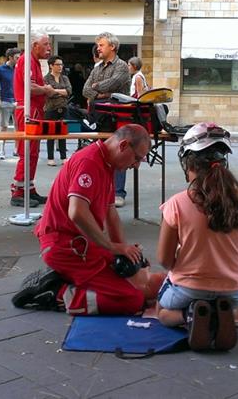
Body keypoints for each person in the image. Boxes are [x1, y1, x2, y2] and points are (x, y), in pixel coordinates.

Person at [11, 124, 152, 315]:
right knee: (132, 300)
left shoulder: (106, 163)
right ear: (123, 145)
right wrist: (113, 248)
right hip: (65, 246)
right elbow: (77, 212)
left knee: (134, 279)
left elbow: (111, 213)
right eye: (137, 158)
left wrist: (124, 252)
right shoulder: (90, 162)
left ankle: (66, 281)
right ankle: (59, 293)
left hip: (81, 243)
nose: (136, 165)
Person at [154, 122, 238, 351]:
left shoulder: (177, 203)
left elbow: (164, 259)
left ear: (187, 163)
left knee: (161, 312)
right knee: (225, 296)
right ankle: (221, 313)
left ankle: (191, 314)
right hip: (234, 290)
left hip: (188, 288)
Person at [10, 33, 64, 207]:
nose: (49, 48)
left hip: (32, 109)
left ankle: (28, 188)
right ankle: (18, 191)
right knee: (28, 151)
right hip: (28, 110)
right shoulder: (28, 61)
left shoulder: (32, 61)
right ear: (35, 45)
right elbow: (30, 87)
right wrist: (47, 89)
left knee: (32, 152)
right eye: (46, 44)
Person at [84, 32, 132, 206]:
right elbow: (85, 89)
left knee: (119, 153)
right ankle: (102, 190)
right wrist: (102, 92)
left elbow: (115, 84)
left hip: (119, 116)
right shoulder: (97, 68)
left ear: (112, 47)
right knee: (101, 152)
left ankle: (118, 192)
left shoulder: (121, 66)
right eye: (98, 45)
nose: (98, 48)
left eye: (101, 45)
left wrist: (98, 89)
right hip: (100, 116)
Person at [43, 55, 72, 166]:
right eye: (57, 64)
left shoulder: (65, 78)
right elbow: (48, 93)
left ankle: (63, 156)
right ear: (51, 65)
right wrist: (61, 92)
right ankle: (50, 157)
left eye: (61, 64)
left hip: (63, 108)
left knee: (62, 133)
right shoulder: (46, 78)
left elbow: (69, 91)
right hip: (51, 108)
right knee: (51, 134)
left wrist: (55, 90)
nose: (60, 67)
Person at [0, 47, 20, 160]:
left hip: (17, 101)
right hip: (5, 100)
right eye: (17, 58)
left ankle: (16, 149)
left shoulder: (19, 69)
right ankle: (2, 150)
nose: (19, 60)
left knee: (18, 127)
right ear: (10, 57)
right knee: (3, 126)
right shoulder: (0, 70)